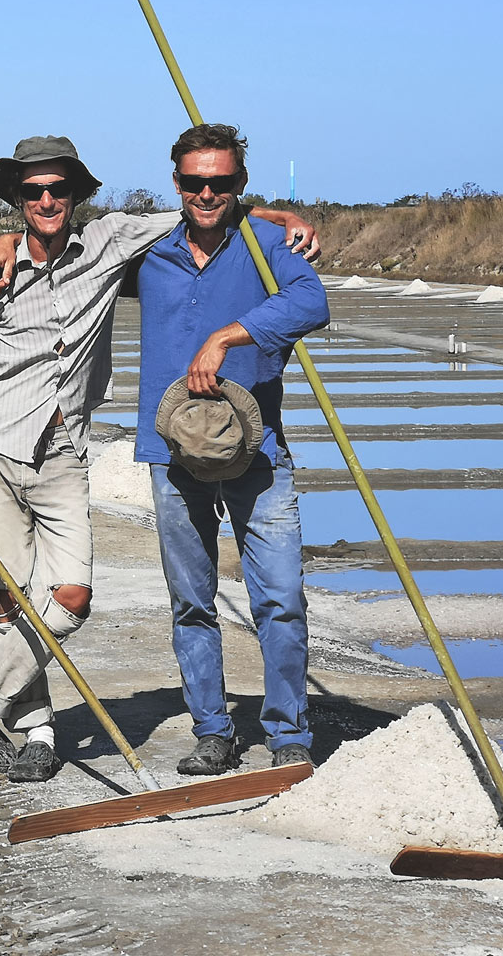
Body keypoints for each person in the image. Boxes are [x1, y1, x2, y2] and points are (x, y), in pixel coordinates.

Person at [0, 135, 316, 782]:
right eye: (33, 191)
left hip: (144, 449)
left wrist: (275, 221)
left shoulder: (156, 243)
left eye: (59, 188)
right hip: (51, 448)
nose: (48, 199)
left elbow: (269, 266)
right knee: (19, 598)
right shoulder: (26, 269)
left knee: (85, 598)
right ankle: (45, 728)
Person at [136, 123, 329, 775]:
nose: (208, 192)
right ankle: (213, 731)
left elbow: (312, 300)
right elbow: (64, 253)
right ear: (177, 184)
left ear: (240, 184)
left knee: (278, 598)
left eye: (222, 182)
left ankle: (288, 734)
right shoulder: (151, 252)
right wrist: (0, 236)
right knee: (192, 603)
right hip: (172, 455)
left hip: (258, 452)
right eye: (196, 182)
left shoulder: (265, 242)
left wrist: (229, 335)